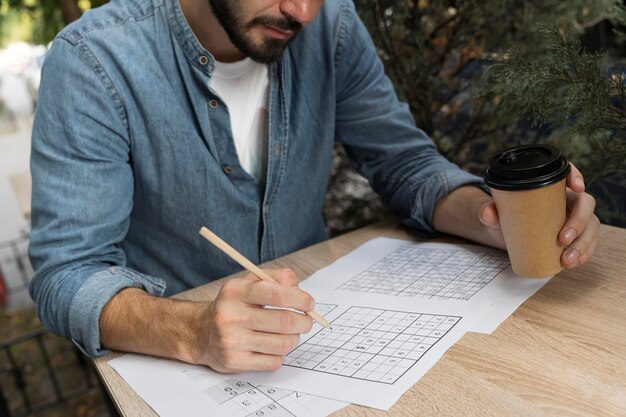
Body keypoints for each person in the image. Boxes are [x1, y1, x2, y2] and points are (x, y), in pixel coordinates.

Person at [29, 0, 599, 374]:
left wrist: (497, 218)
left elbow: (405, 166)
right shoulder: (94, 61)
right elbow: (68, 272)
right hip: (173, 375)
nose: (301, 11)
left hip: (315, 355)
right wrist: (191, 331)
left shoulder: (332, 28)